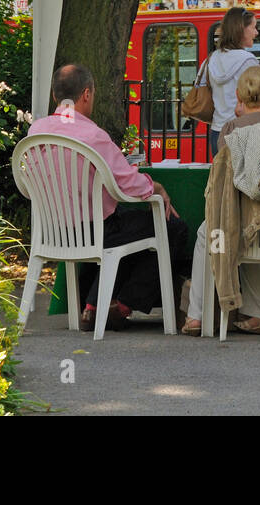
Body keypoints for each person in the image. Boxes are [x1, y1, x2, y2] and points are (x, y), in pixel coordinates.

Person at [28, 64, 191, 332]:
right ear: (87, 94)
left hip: (55, 231)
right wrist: (157, 188)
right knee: (170, 227)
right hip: (97, 232)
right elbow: (128, 182)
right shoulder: (93, 135)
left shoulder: (37, 132)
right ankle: (123, 306)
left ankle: (93, 307)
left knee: (129, 231)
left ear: (56, 96)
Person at [181, 65, 260, 336]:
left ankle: (196, 315)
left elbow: (227, 181)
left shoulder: (230, 130)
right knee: (253, 227)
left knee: (207, 233)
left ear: (238, 95)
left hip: (242, 225)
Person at [204, 6, 259, 155]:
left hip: (217, 130)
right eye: (253, 27)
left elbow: (204, 86)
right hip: (241, 129)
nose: (256, 33)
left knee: (222, 177)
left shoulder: (212, 58)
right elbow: (257, 97)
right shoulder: (248, 60)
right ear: (241, 29)